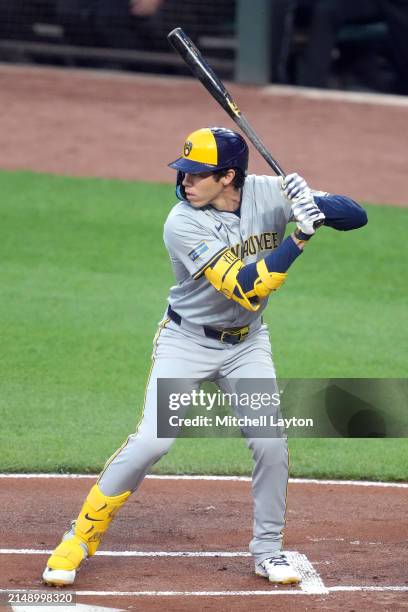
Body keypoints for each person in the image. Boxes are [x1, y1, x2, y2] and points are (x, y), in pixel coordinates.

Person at [42, 127, 367, 587]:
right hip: (187, 342)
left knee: (270, 443)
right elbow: (246, 286)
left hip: (246, 345)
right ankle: (79, 538)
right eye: (184, 173)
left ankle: (268, 551)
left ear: (228, 176)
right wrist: (298, 239)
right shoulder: (182, 222)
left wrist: (315, 201)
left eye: (197, 175)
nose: (185, 183)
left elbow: (359, 217)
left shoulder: (268, 193)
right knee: (152, 442)